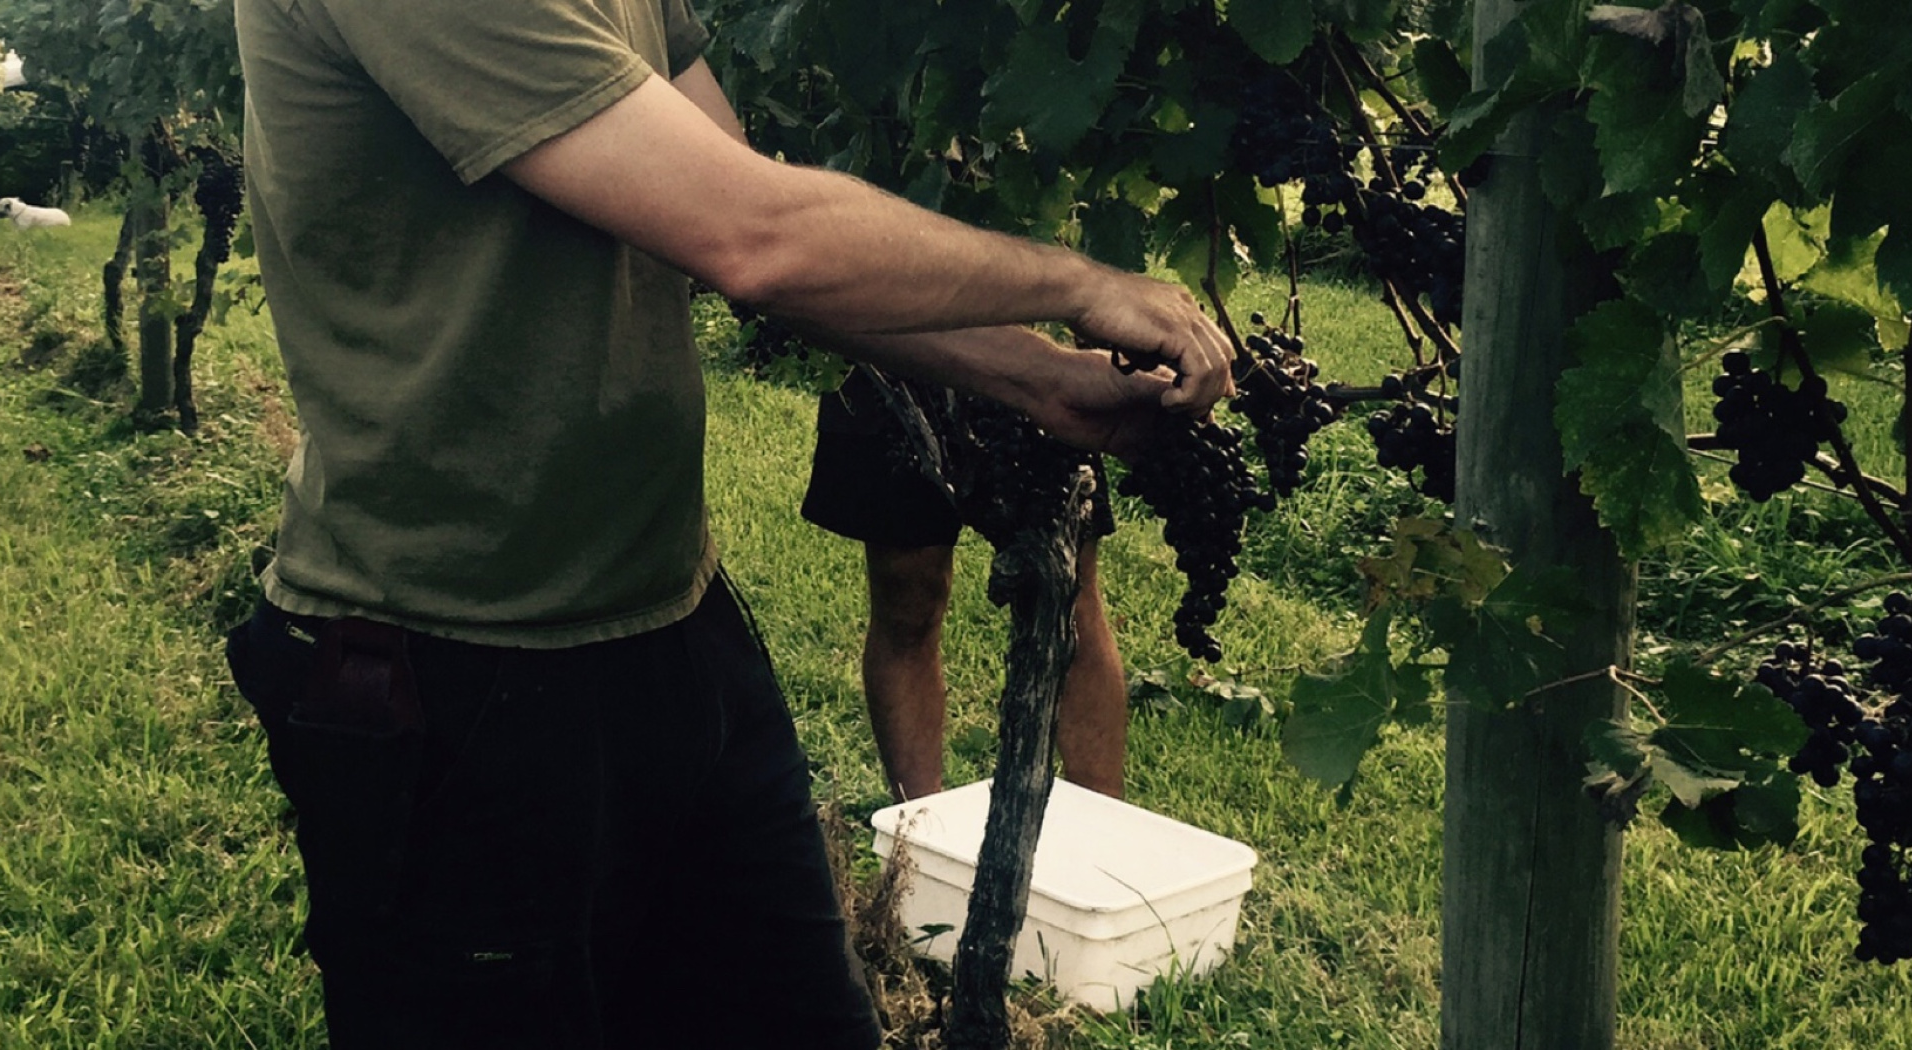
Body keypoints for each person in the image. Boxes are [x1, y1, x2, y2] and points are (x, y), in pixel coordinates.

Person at [226, 1, 1233, 1046]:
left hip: (669, 617)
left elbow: (737, 198)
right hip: (447, 668)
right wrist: (1080, 284)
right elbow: (753, 235)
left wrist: (1040, 379)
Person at [801, 372, 1128, 801]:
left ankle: (1104, 828)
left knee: (1066, 596)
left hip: (1026, 345)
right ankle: (918, 831)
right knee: (905, 594)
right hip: (885, 344)